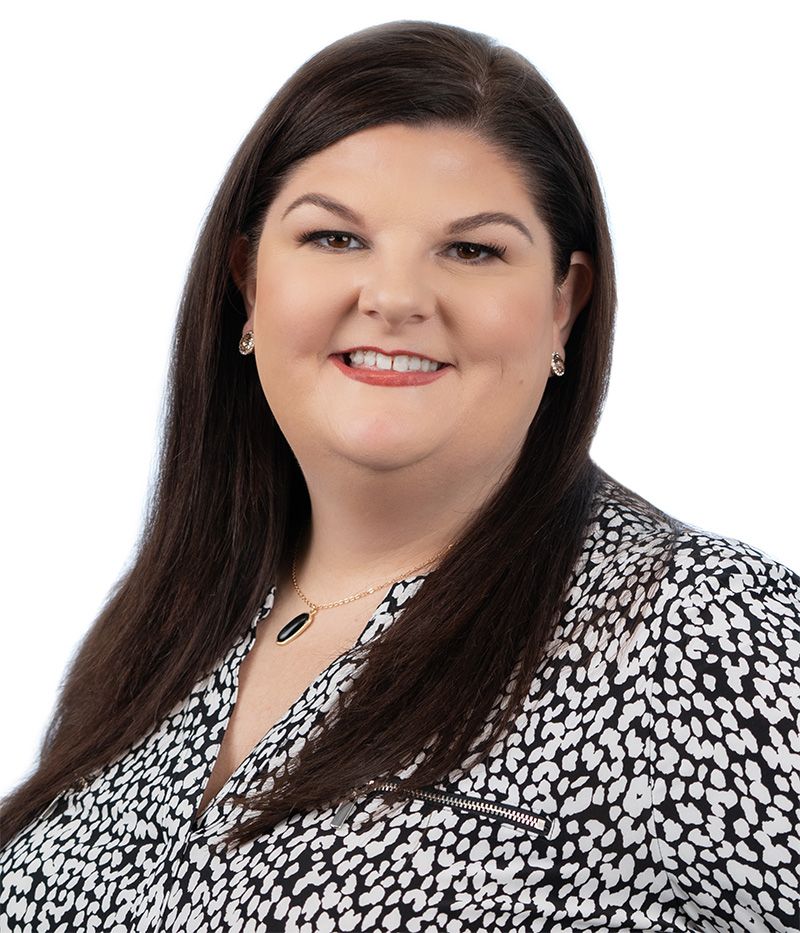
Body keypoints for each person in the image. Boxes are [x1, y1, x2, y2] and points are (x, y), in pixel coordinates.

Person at [1, 18, 798, 933]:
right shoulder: (165, 624)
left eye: (473, 250)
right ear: (248, 283)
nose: (395, 296)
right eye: (335, 239)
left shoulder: (696, 630)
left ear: (563, 307)